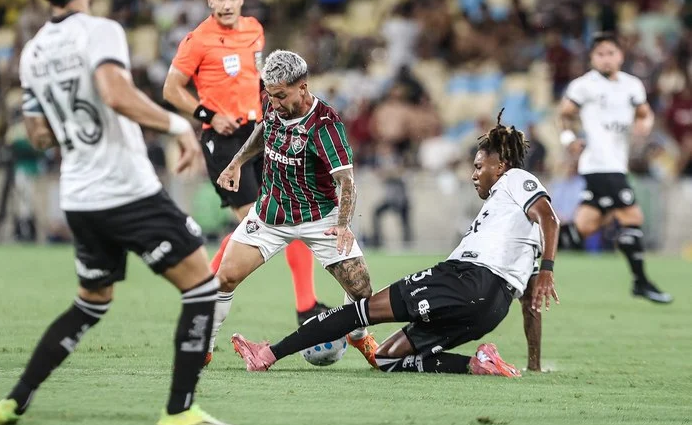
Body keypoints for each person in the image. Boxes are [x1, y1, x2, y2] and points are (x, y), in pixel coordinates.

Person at [0, 0, 233, 425]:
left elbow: (37, 135)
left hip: (78, 196)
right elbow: (115, 93)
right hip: (126, 190)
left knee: (91, 301)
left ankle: (14, 401)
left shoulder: (33, 51)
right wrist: (178, 127)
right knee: (202, 289)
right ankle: (179, 412)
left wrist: (76, 131)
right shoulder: (101, 31)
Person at [232, 112, 560, 377]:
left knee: (359, 312)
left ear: (500, 165)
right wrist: (533, 362)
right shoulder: (515, 225)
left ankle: (267, 354)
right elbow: (531, 302)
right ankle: (478, 364)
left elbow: (550, 217)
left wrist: (547, 270)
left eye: (478, 166)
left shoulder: (515, 179)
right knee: (387, 358)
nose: (474, 175)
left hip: (466, 279)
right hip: (492, 309)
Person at [163, 0, 328, 343]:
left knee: (270, 221)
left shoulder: (254, 29)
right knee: (265, 221)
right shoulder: (198, 41)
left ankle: (300, 305)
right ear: (209, 1)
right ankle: (301, 307)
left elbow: (257, 82)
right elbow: (171, 89)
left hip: (259, 133)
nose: (225, 5)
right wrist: (208, 115)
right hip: (222, 142)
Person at [209, 50, 379, 369]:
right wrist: (236, 163)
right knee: (224, 278)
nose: (273, 102)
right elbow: (265, 129)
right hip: (271, 215)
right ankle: (203, 348)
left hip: (321, 218)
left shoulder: (325, 125)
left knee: (362, 289)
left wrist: (342, 225)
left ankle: (357, 334)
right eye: (269, 95)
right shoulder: (273, 104)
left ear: (303, 87)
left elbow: (347, 182)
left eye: (280, 95)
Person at [557, 32, 673, 304]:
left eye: (611, 53)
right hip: (598, 165)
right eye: (600, 54)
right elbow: (564, 115)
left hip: (616, 165)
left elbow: (644, 113)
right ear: (592, 58)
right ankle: (641, 282)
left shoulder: (632, 86)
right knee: (632, 218)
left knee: (584, 227)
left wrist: (644, 124)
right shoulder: (583, 86)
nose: (606, 58)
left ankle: (528, 252)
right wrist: (569, 140)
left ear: (620, 55)